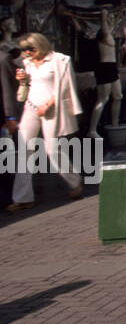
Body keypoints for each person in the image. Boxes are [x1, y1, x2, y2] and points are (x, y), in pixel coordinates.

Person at [9, 33, 82, 212]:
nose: (27, 52)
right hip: (31, 106)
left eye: (30, 49)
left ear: (40, 45)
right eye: (24, 49)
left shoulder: (59, 60)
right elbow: (27, 86)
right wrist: (23, 82)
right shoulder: (26, 62)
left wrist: (49, 104)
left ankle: (74, 181)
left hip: (51, 108)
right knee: (24, 149)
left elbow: (64, 87)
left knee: (52, 149)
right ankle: (23, 197)